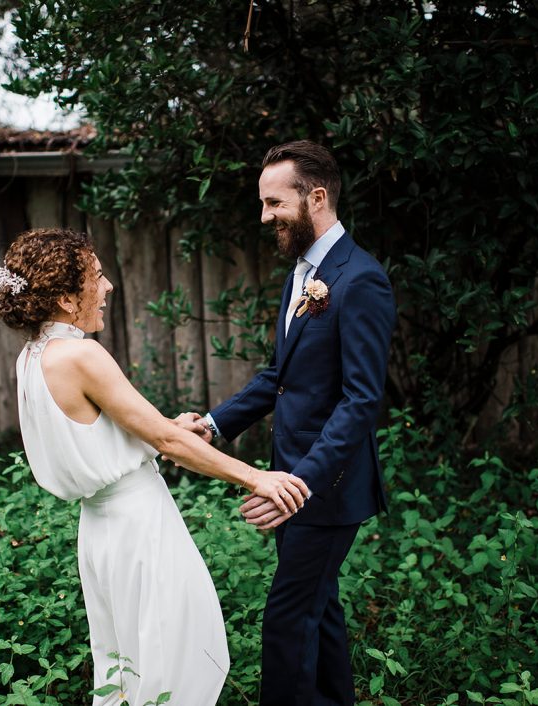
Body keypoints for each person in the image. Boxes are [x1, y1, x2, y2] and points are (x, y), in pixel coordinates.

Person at [0, 227, 310, 706]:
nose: (108, 286)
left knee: (125, 666)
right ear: (63, 298)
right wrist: (256, 476)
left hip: (99, 532)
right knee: (174, 659)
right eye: (96, 277)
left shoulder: (32, 358)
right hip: (139, 526)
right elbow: (163, 440)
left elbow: (118, 430)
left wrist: (167, 428)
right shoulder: (81, 354)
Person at [190, 140, 397, 705]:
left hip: (323, 487)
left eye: (274, 203)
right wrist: (211, 424)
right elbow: (280, 376)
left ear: (318, 197)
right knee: (317, 610)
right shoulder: (304, 274)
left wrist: (296, 487)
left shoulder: (360, 280)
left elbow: (359, 401)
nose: (265, 217)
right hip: (295, 481)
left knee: (287, 618)